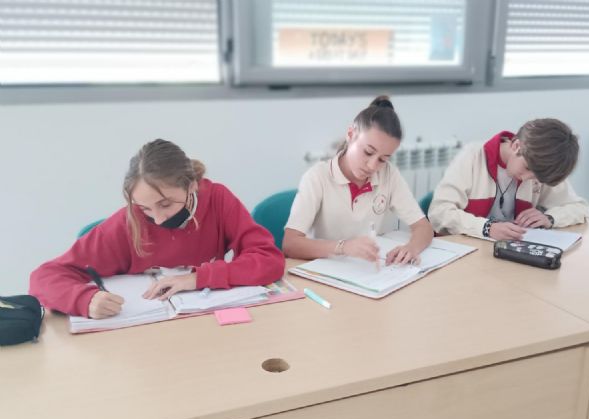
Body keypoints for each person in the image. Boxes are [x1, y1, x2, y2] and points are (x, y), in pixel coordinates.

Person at [29, 139, 285, 319]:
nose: (159, 219)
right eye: (146, 208)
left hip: (205, 323)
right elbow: (44, 277)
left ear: (192, 186)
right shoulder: (127, 223)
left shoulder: (217, 199)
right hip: (143, 335)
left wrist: (197, 278)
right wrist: (84, 299)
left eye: (166, 204)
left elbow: (268, 260)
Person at [283, 96, 433, 265]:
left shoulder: (389, 175)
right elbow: (290, 244)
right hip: (326, 272)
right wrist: (344, 247)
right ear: (351, 134)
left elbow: (423, 227)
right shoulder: (317, 177)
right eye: (368, 152)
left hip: (369, 273)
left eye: (383, 159)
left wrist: (411, 248)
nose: (372, 166)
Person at [428, 118, 589, 240]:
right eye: (527, 168)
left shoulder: (541, 165)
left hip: (506, 255)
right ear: (516, 146)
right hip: (464, 250)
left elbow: (580, 208)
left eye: (536, 176)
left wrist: (550, 218)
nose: (528, 178)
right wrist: (487, 228)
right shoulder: (472, 156)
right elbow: (439, 212)